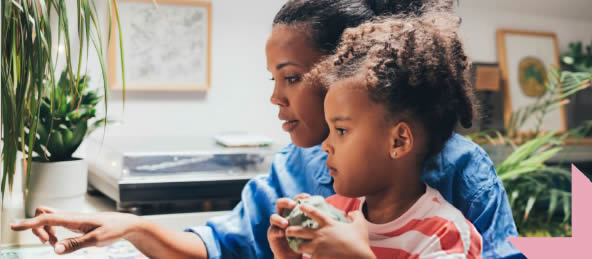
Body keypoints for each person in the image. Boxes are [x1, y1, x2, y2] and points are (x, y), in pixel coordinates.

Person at [11, 1, 522, 258]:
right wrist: (131, 226)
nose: (275, 98)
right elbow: (229, 241)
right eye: (273, 80)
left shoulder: (457, 181)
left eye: (292, 79)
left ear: (346, 69)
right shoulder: (298, 167)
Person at [268, 11, 483, 259]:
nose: (326, 145)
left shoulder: (446, 235)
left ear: (398, 141)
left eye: (341, 130)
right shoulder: (336, 216)